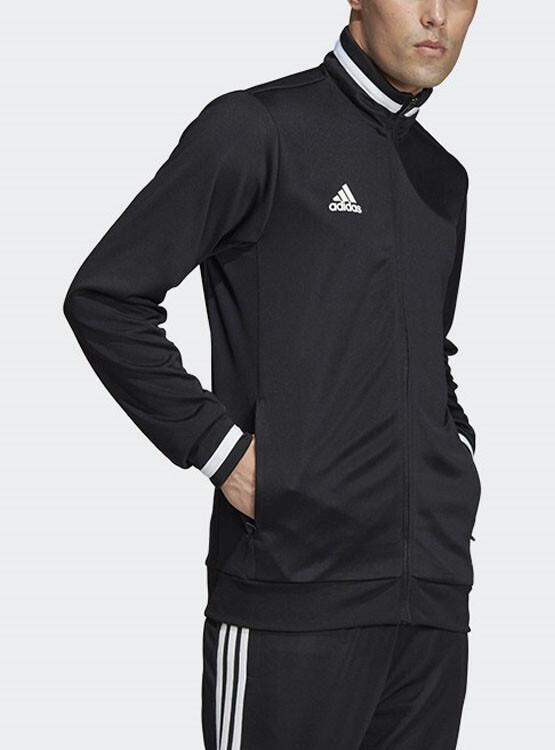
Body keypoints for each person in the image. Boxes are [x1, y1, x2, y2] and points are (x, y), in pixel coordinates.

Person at [63, 1, 481, 747]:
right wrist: (223, 452)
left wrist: (454, 454)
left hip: (431, 604)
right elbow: (106, 298)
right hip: (289, 588)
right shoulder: (257, 130)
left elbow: (427, 344)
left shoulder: (442, 178)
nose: (436, 15)